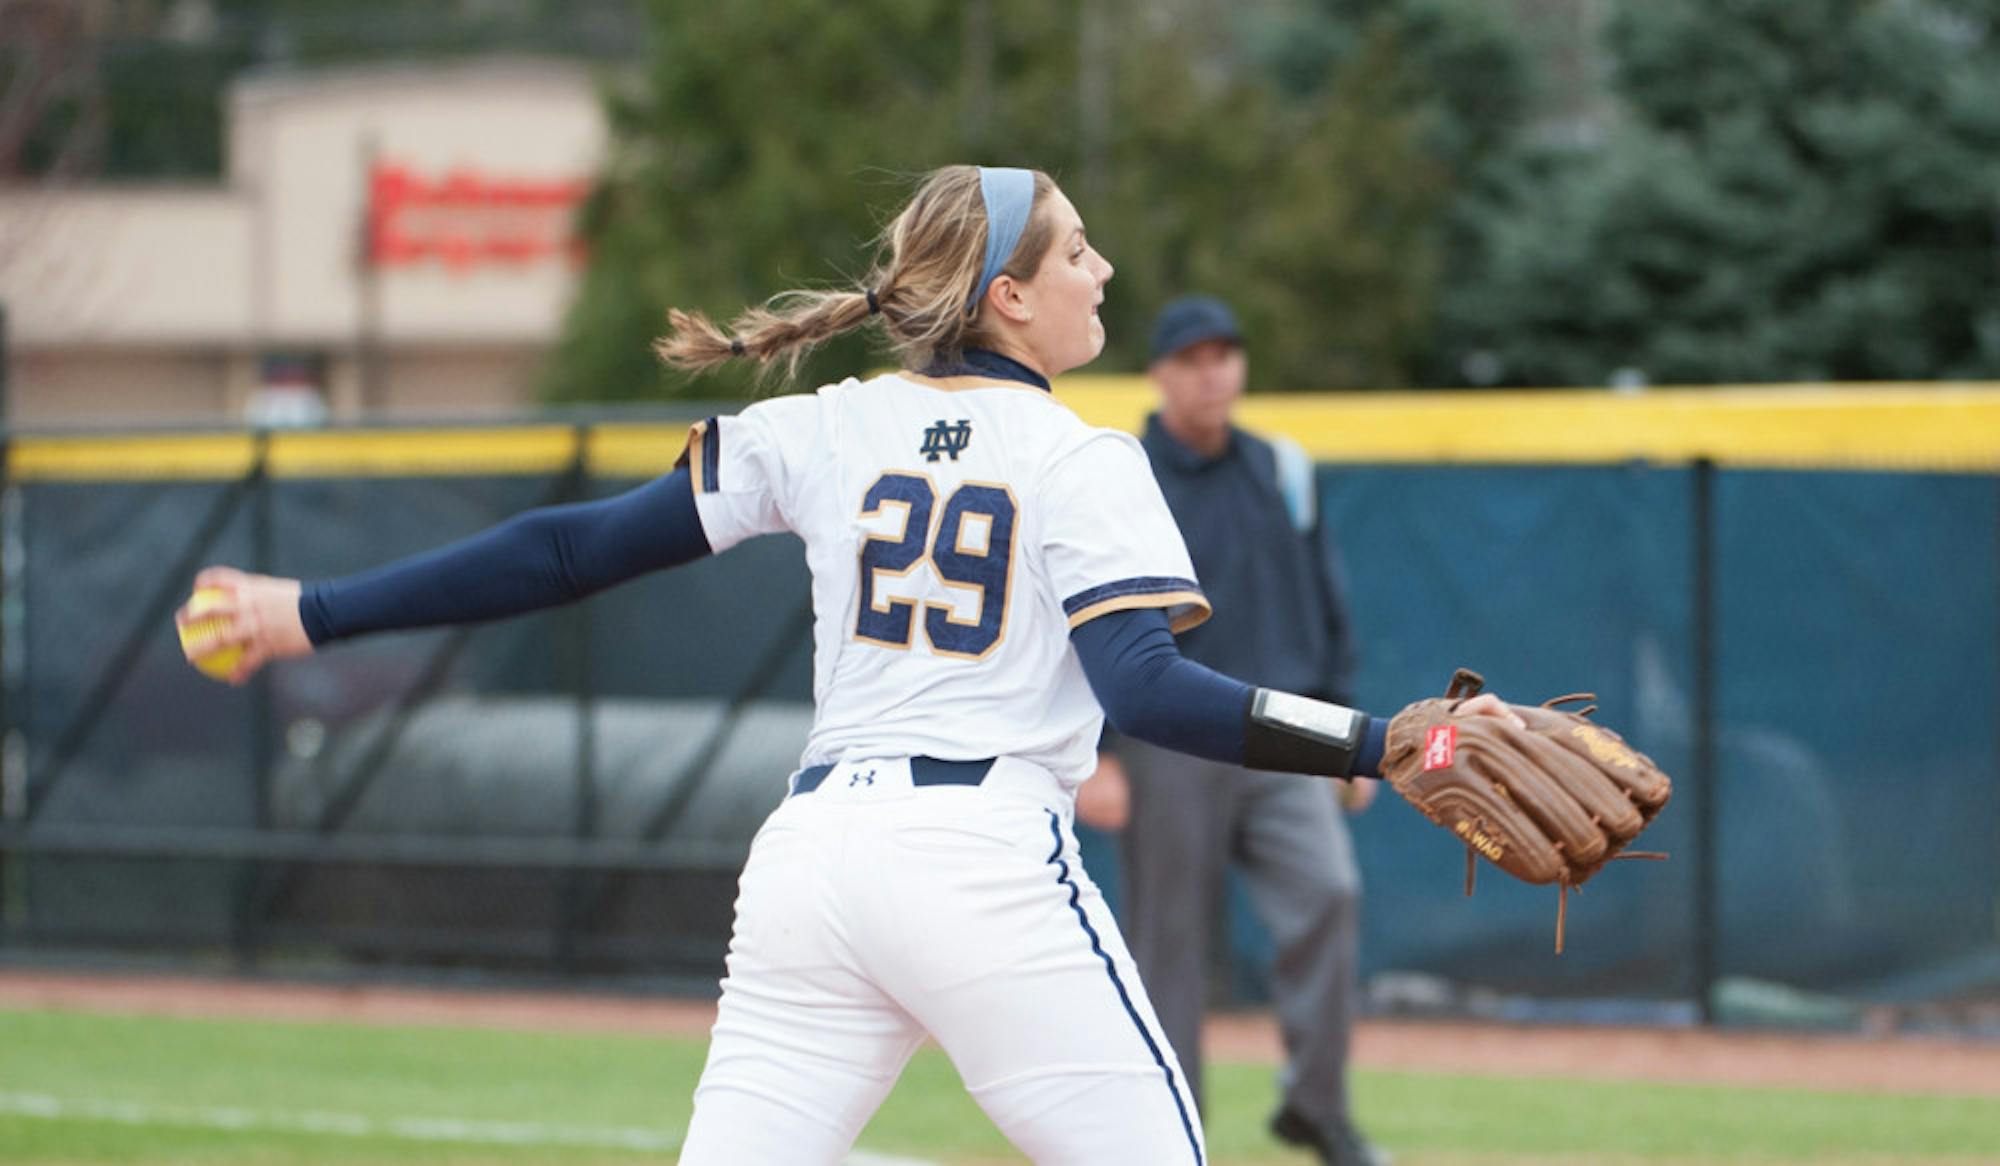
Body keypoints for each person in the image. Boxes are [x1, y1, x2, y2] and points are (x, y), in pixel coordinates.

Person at [180, 165, 1522, 1165]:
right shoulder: (1083, 459)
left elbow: (570, 549)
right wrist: (1374, 740)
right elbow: (1148, 690)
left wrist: (316, 609)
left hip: (812, 866)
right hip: (980, 859)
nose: (1102, 269)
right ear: (1007, 295)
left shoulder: (828, 426)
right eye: (1076, 249)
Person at [1078, 294, 1386, 1166]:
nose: (1213, 371)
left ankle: (1316, 1109)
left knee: (1330, 893)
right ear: (1161, 373)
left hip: (1287, 732)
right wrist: (1094, 754)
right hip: (1170, 741)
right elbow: (1087, 615)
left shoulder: (1282, 468)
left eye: (1226, 354)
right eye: (1194, 357)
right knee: (1169, 943)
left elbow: (1325, 606)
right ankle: (1172, 1139)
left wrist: (1351, 740)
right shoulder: (1122, 471)